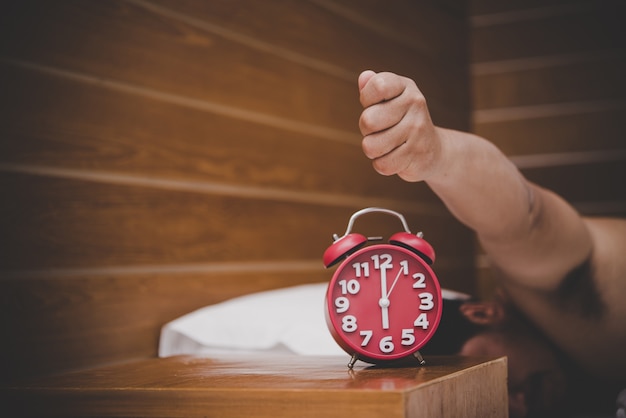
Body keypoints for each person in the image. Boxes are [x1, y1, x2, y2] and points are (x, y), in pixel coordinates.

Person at [357, 70, 626, 417]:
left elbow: (523, 218)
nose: (516, 404)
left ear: (482, 314)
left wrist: (437, 154)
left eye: (496, 379)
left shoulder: (557, 289)